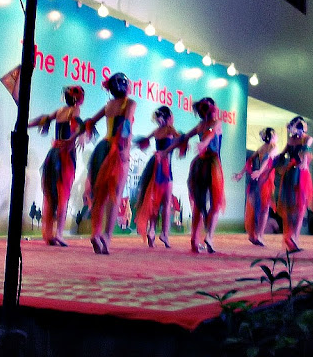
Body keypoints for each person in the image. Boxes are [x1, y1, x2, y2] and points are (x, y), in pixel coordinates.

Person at [85, 72, 136, 254]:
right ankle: (106, 236)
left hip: (102, 148)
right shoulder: (129, 103)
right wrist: (124, 147)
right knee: (115, 195)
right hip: (117, 149)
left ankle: (95, 232)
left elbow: (90, 122)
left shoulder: (108, 105)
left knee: (100, 195)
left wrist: (80, 135)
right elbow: (126, 124)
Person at [28, 85, 86, 247]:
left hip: (54, 154)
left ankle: (49, 234)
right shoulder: (74, 110)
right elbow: (79, 126)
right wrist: (76, 137)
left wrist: (27, 124)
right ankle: (59, 233)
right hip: (65, 156)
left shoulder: (60, 111)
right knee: (62, 195)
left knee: (50, 195)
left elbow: (44, 119)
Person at [176, 97, 225, 253]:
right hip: (212, 165)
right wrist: (204, 142)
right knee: (215, 203)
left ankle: (195, 240)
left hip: (200, 165)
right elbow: (210, 133)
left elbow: (186, 137)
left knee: (200, 203)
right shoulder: (215, 123)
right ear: (212, 109)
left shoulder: (201, 126)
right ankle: (208, 237)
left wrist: (168, 149)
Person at [134, 106, 183, 248]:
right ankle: (164, 234)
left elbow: (145, 140)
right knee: (167, 203)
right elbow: (180, 140)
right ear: (168, 117)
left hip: (155, 165)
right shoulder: (170, 129)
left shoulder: (156, 131)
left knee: (155, 202)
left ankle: (151, 231)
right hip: (165, 166)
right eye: (172, 116)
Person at [276, 116, 313, 252]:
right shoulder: (306, 138)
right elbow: (303, 151)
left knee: (295, 206)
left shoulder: (295, 139)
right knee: (299, 206)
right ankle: (293, 237)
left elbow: (284, 154)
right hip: (299, 173)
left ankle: (292, 238)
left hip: (291, 172)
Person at [233, 127, 278, 246]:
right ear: (273, 136)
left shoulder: (261, 147)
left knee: (254, 206)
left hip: (257, 179)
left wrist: (241, 173)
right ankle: (259, 235)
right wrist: (260, 171)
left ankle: (253, 235)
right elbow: (267, 159)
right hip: (265, 179)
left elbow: (250, 161)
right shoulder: (273, 147)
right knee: (264, 209)